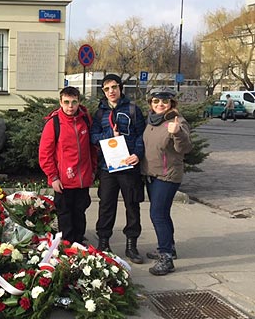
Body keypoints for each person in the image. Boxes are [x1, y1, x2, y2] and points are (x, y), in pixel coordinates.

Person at [90, 74, 146, 263]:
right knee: (106, 205)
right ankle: (104, 242)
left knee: (132, 205)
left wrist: (137, 154)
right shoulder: (99, 113)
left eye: (114, 87)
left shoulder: (132, 110)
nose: (111, 91)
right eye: (106, 89)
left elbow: (141, 135)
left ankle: (132, 245)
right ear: (103, 92)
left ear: (120, 88)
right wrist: (109, 134)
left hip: (128, 166)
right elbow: (93, 137)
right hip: (108, 167)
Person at [141, 87, 192, 275]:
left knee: (157, 214)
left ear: (171, 103)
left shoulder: (178, 122)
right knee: (162, 213)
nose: (160, 104)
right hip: (152, 175)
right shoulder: (151, 121)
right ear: (151, 104)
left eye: (164, 101)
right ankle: (169, 247)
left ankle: (166, 257)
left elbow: (185, 148)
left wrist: (178, 132)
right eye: (156, 101)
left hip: (168, 175)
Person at [39, 87, 97, 244]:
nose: (70, 106)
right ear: (60, 102)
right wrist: (53, 177)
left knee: (80, 212)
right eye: (66, 102)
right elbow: (45, 154)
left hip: (83, 179)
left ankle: (79, 242)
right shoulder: (54, 123)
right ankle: (67, 245)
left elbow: (92, 148)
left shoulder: (85, 120)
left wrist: (93, 171)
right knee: (65, 214)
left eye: (74, 102)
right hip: (63, 181)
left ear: (79, 102)